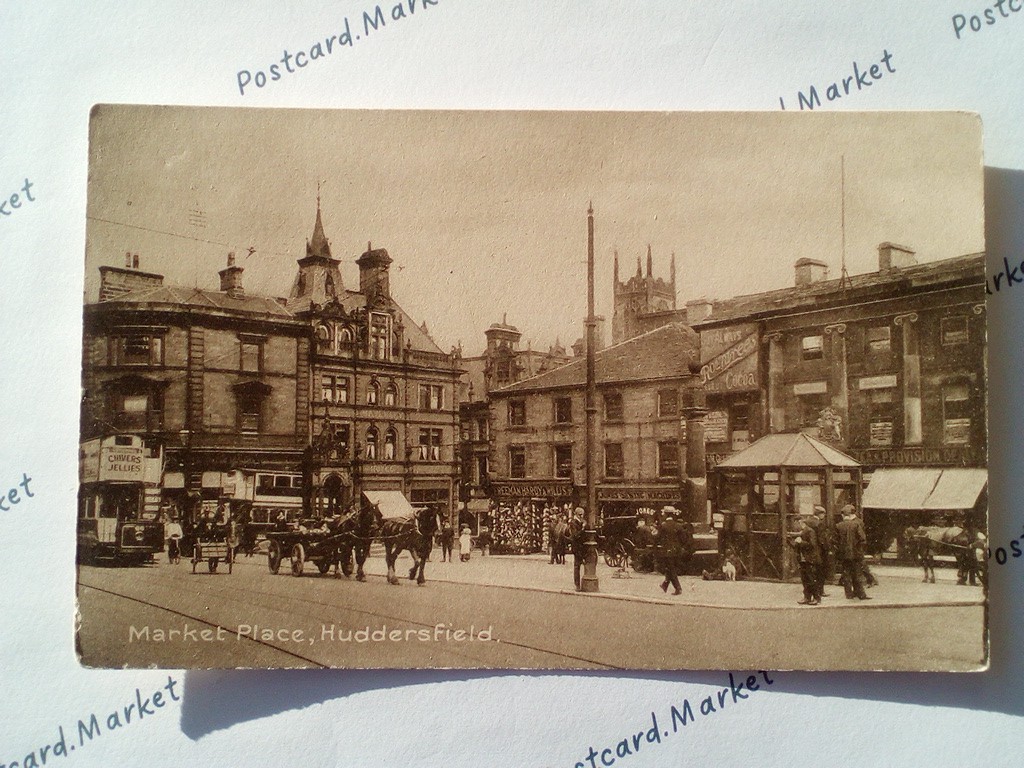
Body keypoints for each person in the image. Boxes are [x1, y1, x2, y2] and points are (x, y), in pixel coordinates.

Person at [835, 504, 870, 600]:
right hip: (856, 554)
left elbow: (835, 541)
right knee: (857, 574)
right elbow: (863, 538)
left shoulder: (838, 526)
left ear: (843, 515)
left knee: (846, 575)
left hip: (844, 555)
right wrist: (859, 548)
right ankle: (861, 594)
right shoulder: (856, 524)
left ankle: (849, 595)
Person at [791, 515, 822, 605]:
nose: (795, 526)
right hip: (803, 559)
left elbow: (812, 545)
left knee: (811, 579)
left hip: (809, 559)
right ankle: (807, 597)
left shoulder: (810, 531)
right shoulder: (803, 532)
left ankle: (817, 598)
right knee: (805, 579)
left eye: (796, 523)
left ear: (801, 522)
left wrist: (801, 542)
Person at [656, 506, 684, 596]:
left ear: (666, 514)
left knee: (671, 569)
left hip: (667, 551)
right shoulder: (678, 526)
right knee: (670, 568)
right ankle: (665, 585)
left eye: (664, 513)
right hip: (677, 551)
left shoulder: (663, 526)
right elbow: (683, 539)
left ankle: (678, 588)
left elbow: (657, 538)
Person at [568, 508, 586, 590]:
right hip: (577, 547)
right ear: (576, 514)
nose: (582, 516)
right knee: (577, 566)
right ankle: (577, 585)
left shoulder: (580, 522)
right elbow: (575, 535)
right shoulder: (573, 523)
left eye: (582, 515)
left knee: (581, 565)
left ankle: (582, 583)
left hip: (582, 546)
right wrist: (582, 528)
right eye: (580, 515)